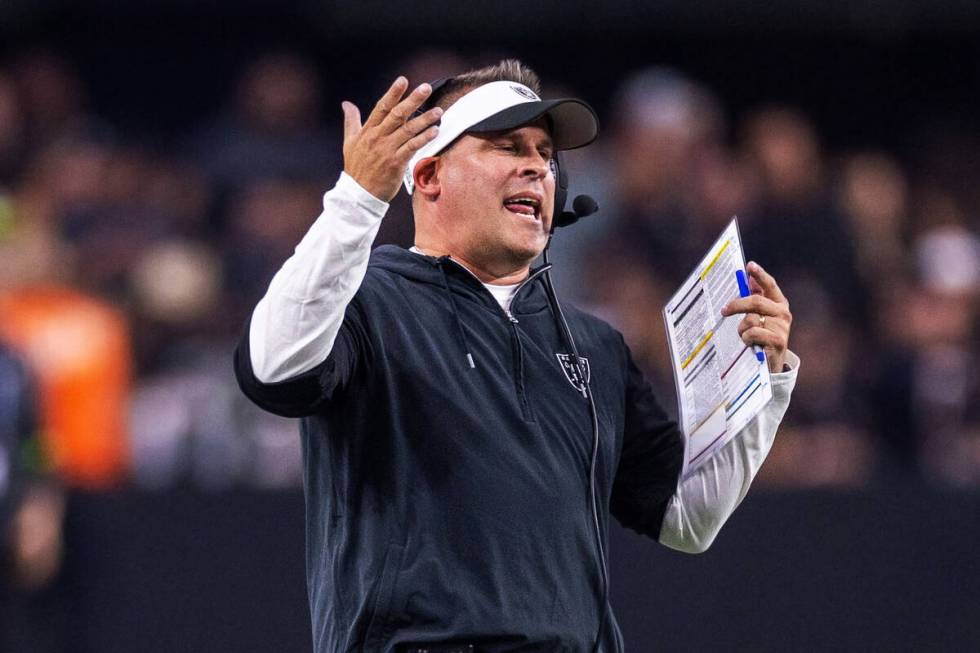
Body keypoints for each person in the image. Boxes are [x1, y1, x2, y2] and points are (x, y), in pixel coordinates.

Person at [235, 60, 799, 653]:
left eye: (544, 152)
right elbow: (274, 368)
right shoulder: (367, 299)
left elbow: (687, 518)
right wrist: (356, 201)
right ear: (427, 175)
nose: (538, 165)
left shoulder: (594, 345)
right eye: (507, 145)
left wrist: (764, 378)